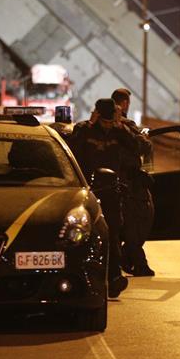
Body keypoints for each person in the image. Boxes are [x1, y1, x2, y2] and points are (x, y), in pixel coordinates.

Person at [68, 98, 140, 298]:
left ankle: (114, 278)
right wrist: (90, 125)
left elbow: (136, 147)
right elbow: (72, 151)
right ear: (97, 115)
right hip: (88, 192)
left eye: (110, 121)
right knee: (85, 234)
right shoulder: (84, 129)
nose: (107, 125)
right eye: (104, 121)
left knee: (113, 234)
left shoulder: (119, 131)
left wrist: (121, 126)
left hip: (111, 190)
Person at [111, 88, 155, 277]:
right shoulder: (126, 126)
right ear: (124, 104)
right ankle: (134, 262)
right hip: (126, 185)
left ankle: (125, 261)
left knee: (120, 227)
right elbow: (145, 146)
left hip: (106, 184)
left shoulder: (92, 127)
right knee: (134, 226)